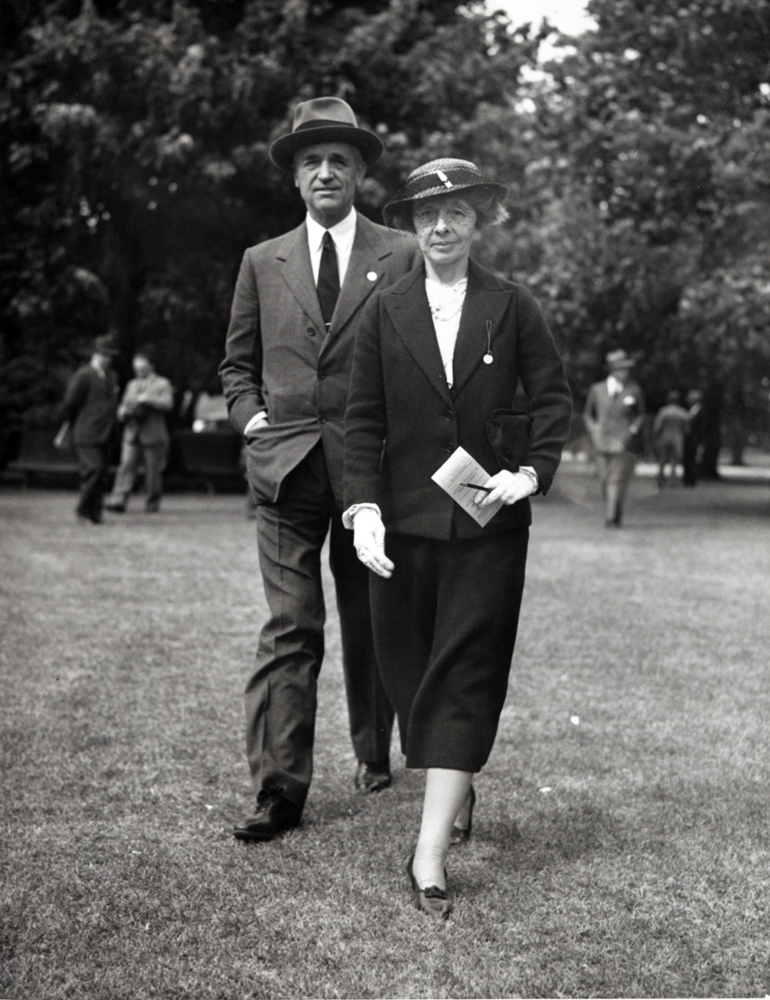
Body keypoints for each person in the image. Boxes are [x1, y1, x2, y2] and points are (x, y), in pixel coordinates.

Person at [342, 158, 572, 918]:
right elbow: (362, 421)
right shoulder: (383, 308)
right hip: (402, 524)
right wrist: (362, 510)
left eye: (457, 215)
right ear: (411, 226)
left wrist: (530, 474)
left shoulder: (512, 305)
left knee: (466, 672)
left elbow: (551, 399)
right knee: (409, 671)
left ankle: (428, 854)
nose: (441, 229)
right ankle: (456, 777)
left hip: (487, 524)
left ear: (479, 222)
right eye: (427, 216)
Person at [219, 97, 420, 842]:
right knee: (291, 626)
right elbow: (236, 365)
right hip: (285, 473)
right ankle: (280, 789)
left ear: (361, 171)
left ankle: (373, 751)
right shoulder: (260, 262)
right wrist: (252, 420)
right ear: (295, 178)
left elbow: (419, 357)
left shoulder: (400, 253)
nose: (326, 172)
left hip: (373, 473)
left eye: (339, 159)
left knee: (371, 621)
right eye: (312, 161)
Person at [56, 333, 119, 524]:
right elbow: (70, 403)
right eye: (104, 354)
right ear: (96, 354)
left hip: (106, 433)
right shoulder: (84, 375)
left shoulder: (111, 376)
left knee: (102, 475)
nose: (108, 358)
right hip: (87, 432)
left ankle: (95, 514)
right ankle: (82, 510)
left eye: (110, 355)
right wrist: (73, 422)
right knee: (93, 469)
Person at [105, 347, 174, 513]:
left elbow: (168, 404)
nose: (139, 371)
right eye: (136, 369)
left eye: (142, 368)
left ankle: (152, 504)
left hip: (153, 434)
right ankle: (118, 501)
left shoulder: (162, 383)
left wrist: (148, 399)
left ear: (151, 366)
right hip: (132, 433)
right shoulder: (132, 384)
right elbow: (124, 404)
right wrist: (122, 412)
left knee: (153, 473)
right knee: (126, 467)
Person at [583, 349, 645, 527]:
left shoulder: (634, 390)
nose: (625, 373)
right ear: (613, 370)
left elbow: (640, 414)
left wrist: (632, 430)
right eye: (621, 369)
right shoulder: (597, 389)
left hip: (623, 442)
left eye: (626, 369)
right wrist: (594, 430)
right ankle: (615, 511)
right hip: (601, 441)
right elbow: (588, 414)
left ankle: (610, 518)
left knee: (616, 479)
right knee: (604, 479)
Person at [652, 390, 688, 485]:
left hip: (665, 437)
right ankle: (673, 480)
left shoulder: (664, 411)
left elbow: (657, 426)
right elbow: (686, 427)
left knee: (662, 459)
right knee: (674, 460)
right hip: (677, 438)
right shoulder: (682, 412)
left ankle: (660, 478)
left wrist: (655, 436)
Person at [683, 389, 705, 486]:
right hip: (691, 439)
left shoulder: (699, 410)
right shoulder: (692, 410)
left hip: (694, 439)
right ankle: (688, 479)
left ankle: (691, 480)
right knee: (688, 458)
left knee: (692, 459)